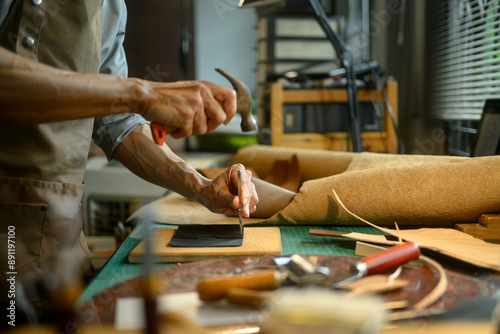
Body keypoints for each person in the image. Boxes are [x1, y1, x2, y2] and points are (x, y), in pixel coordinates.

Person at [0, 0, 258, 322]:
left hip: (59, 240)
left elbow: (116, 122)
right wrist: (143, 93)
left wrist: (201, 187)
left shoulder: (109, 6)